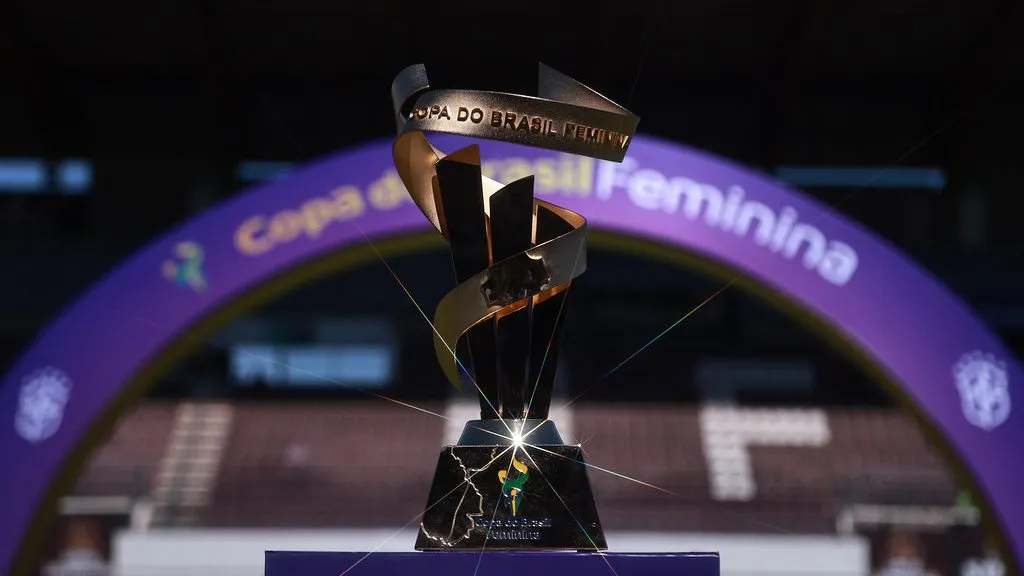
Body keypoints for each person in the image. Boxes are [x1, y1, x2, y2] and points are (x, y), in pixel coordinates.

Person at [43, 518, 110, 576]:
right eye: (78, 533)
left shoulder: (108, 569)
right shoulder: (52, 569)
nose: (81, 539)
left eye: (86, 534)